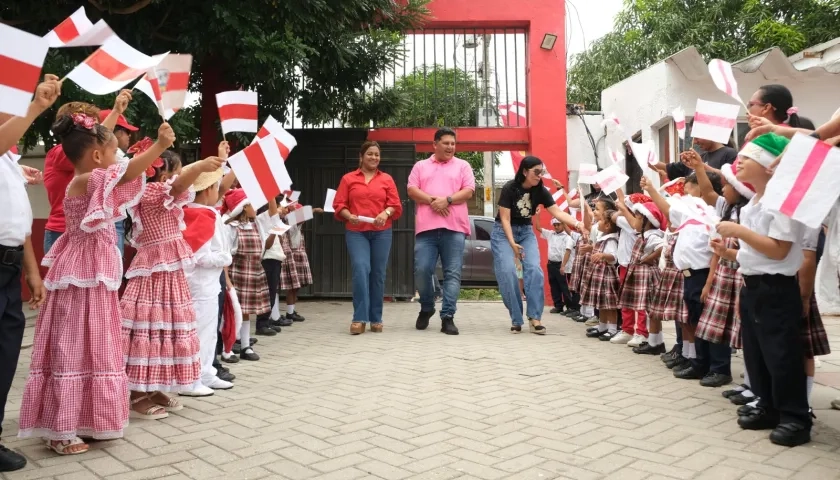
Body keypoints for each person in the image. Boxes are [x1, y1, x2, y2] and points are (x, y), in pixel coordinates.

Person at [19, 115, 173, 454]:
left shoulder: (96, 184)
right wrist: (160, 145)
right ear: (98, 158)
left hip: (95, 278)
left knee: (95, 345)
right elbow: (131, 172)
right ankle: (60, 429)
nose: (120, 159)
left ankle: (86, 419)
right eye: (115, 151)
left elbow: (129, 175)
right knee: (72, 347)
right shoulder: (84, 181)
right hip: (80, 278)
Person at [716, 133, 811, 447]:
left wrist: (738, 231)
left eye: (747, 157)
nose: (738, 162)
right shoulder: (756, 201)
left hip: (776, 290)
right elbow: (756, 254)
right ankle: (769, 406)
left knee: (782, 355)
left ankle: (795, 417)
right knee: (757, 354)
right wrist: (729, 252)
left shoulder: (783, 200)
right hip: (753, 285)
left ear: (770, 165)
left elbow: (780, 250)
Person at [121, 145, 223, 413]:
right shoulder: (151, 192)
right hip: (154, 269)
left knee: (166, 328)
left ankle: (153, 387)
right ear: (161, 173)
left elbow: (179, 188)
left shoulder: (162, 193)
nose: (178, 177)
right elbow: (179, 188)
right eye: (174, 172)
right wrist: (199, 166)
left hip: (169, 270)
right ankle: (135, 392)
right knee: (150, 327)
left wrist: (203, 166)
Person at [0, 76, 59, 470]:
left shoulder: (10, 161)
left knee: (5, 358)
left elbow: (19, 225)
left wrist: (32, 274)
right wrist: (35, 107)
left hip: (8, 269)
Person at [642, 169, 728, 386]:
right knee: (695, 322)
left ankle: (719, 368)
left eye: (690, 186)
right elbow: (668, 210)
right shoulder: (691, 213)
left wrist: (709, 282)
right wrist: (651, 190)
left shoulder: (712, 215)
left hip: (704, 275)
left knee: (710, 323)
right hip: (688, 275)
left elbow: (717, 251)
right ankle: (701, 363)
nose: (685, 190)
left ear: (703, 186)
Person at [493, 156, 581, 334]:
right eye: (536, 172)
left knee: (534, 270)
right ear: (525, 171)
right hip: (503, 232)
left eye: (542, 172)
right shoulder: (510, 188)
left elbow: (556, 211)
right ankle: (516, 318)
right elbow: (505, 218)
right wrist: (511, 243)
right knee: (508, 272)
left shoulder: (541, 190)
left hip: (525, 231)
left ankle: (534, 318)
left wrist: (579, 225)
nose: (539, 175)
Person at [42, 92, 137, 256]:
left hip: (95, 231)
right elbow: (93, 143)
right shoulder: (59, 153)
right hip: (64, 232)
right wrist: (115, 112)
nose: (97, 129)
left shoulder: (92, 157)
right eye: (92, 125)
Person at [688, 152, 752, 388]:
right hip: (724, 272)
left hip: (743, 270)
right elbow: (708, 193)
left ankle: (751, 381)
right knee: (716, 323)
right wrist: (699, 168)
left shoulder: (749, 211)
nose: (723, 190)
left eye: (727, 185)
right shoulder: (727, 207)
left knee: (744, 328)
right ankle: (720, 369)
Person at [407, 127, 475, 335]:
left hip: (454, 229)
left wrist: (448, 200)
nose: (450, 147)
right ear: (434, 144)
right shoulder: (420, 166)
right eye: (446, 143)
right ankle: (427, 306)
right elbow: (411, 189)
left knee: (452, 273)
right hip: (426, 229)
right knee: (422, 270)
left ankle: (448, 317)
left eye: (453, 144)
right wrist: (432, 201)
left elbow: (469, 191)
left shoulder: (463, 166)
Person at [181, 148, 236, 395]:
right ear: (207, 191)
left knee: (208, 329)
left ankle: (206, 372)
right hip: (200, 282)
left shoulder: (204, 213)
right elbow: (198, 255)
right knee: (199, 330)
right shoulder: (200, 215)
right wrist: (223, 258)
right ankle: (191, 378)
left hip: (208, 284)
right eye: (215, 188)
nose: (219, 192)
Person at [333, 141, 403, 335]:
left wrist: (385, 213)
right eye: (370, 154)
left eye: (377, 155)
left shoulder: (387, 179)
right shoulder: (348, 179)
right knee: (361, 269)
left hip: (382, 232)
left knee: (378, 274)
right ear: (361, 156)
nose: (374, 158)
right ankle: (359, 318)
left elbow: (396, 205)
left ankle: (376, 318)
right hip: (356, 232)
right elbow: (339, 205)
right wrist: (348, 216)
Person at [224, 189, 283, 356]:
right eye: (251, 204)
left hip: (255, 270)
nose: (256, 207)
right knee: (235, 310)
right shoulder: (231, 227)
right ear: (243, 207)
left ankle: (245, 345)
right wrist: (227, 278)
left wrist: (269, 187)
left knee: (247, 311)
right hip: (239, 271)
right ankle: (228, 346)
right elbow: (226, 254)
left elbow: (273, 213)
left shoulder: (256, 223)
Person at [615, 198, 666, 348]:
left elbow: (662, 247)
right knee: (645, 307)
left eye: (637, 218)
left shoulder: (652, 235)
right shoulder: (643, 235)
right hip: (641, 276)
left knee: (649, 308)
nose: (634, 222)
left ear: (648, 221)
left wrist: (648, 259)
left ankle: (652, 339)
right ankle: (653, 341)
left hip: (648, 276)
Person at [580, 207, 621, 340]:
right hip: (600, 275)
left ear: (608, 225)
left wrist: (603, 255)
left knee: (609, 304)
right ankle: (602, 326)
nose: (598, 222)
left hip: (607, 275)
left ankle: (613, 328)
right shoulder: (603, 238)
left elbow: (614, 257)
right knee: (601, 303)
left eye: (602, 220)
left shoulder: (611, 240)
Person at [277, 188, 312, 324]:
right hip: (288, 252)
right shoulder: (284, 219)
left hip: (298, 250)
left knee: (295, 285)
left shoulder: (294, 220)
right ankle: (275, 314)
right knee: (285, 284)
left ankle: (291, 311)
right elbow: (304, 214)